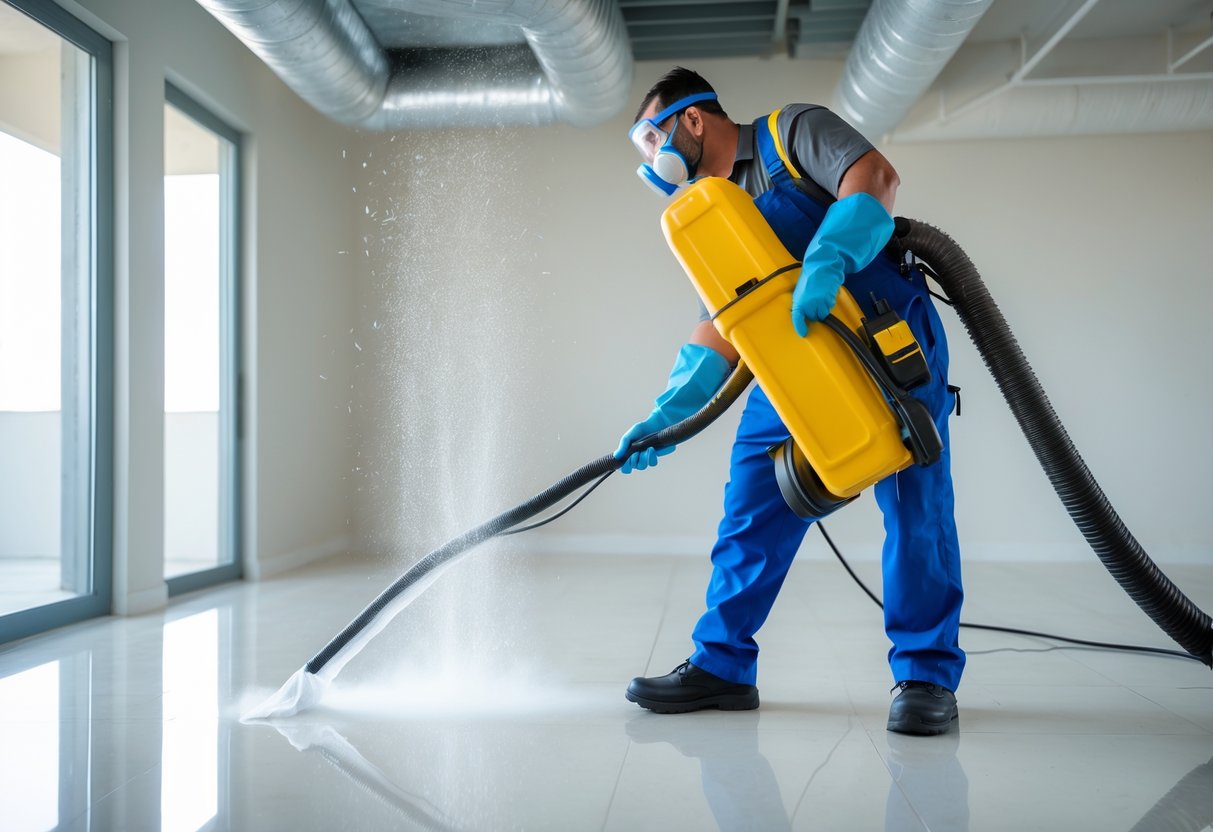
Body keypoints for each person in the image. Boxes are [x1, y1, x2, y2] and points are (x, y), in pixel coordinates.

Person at [615, 67, 965, 736]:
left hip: (881, 343)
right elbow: (715, 332)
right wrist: (666, 417)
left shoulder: (788, 133)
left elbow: (875, 180)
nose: (652, 160)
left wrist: (828, 256)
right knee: (751, 505)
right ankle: (721, 666)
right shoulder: (711, 218)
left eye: (652, 137)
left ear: (692, 121)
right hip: (788, 363)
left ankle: (924, 677)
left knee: (915, 509)